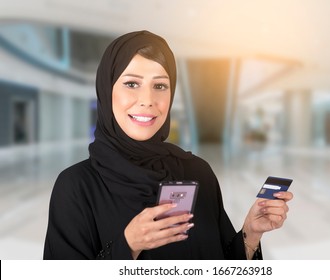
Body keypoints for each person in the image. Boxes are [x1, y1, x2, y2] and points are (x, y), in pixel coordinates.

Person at [43, 30, 293, 260]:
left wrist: (250, 233)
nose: (148, 100)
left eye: (160, 86)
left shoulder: (197, 173)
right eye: (132, 84)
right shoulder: (77, 186)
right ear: (107, 90)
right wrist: (127, 245)